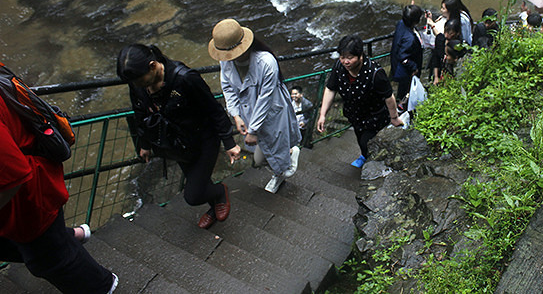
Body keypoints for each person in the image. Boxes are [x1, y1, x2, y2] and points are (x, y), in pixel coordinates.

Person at [0, 75, 118, 293]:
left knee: (47, 258)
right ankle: (69, 236)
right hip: (28, 184)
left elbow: (12, 176)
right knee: (42, 247)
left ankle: (103, 286)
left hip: (30, 196)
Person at [117, 44, 241, 230]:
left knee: (193, 195)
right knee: (198, 181)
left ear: (152, 66)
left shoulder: (185, 79)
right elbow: (140, 113)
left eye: (140, 81)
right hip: (176, 142)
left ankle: (220, 192)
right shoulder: (137, 84)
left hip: (203, 139)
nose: (138, 86)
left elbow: (213, 109)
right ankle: (214, 207)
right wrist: (144, 144)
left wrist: (229, 142)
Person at [208, 18, 301, 194]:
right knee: (264, 155)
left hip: (272, 112)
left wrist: (253, 130)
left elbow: (265, 98)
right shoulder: (226, 61)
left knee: (262, 157)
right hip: (249, 113)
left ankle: (280, 173)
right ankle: (286, 160)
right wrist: (235, 115)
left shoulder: (266, 62)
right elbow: (227, 87)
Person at [317, 35, 403, 168]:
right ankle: (364, 156)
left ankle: (374, 163)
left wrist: (394, 118)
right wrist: (322, 114)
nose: (345, 61)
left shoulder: (375, 73)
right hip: (354, 115)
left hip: (374, 117)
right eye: (342, 57)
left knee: (367, 142)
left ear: (360, 55)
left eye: (350, 58)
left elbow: (389, 96)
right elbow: (330, 89)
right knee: (359, 138)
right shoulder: (339, 67)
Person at [389, 4, 424, 103]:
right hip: (405, 71)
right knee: (406, 89)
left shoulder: (401, 24)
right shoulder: (410, 39)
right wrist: (414, 67)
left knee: (403, 87)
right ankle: (403, 106)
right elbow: (403, 57)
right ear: (415, 21)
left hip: (395, 63)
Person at [430, 18, 462, 85]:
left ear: (457, 33)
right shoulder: (440, 40)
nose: (446, 35)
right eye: (445, 32)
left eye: (450, 33)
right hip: (440, 71)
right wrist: (436, 77)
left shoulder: (459, 46)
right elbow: (435, 58)